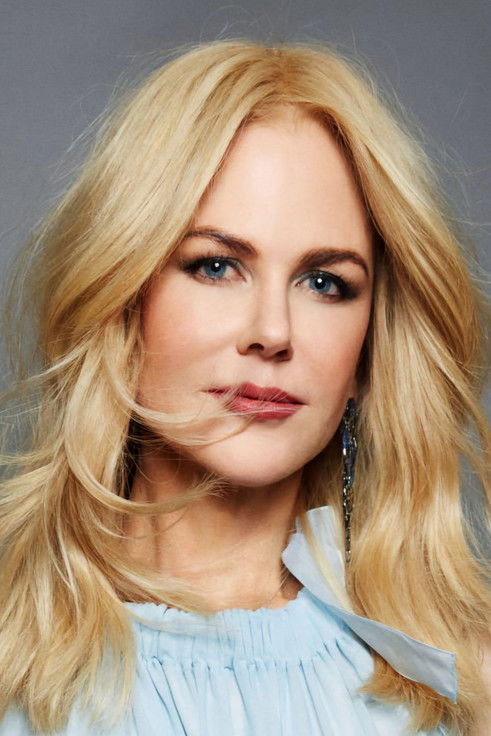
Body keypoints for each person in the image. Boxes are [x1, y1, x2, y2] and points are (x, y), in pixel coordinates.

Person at [0, 39, 489, 736]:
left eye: (325, 283)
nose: (273, 332)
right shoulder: (13, 671)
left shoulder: (466, 687)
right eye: (216, 266)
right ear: (123, 299)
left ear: (368, 352)